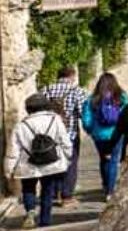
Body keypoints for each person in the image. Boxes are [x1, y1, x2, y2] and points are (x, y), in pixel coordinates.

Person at [4, 94, 72, 228]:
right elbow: (65, 141)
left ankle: (30, 212)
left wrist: (9, 169)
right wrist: (67, 157)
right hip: (51, 162)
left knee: (28, 189)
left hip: (28, 164)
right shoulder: (55, 119)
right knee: (47, 190)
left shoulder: (21, 125)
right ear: (46, 106)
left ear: (28, 109)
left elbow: (13, 150)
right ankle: (45, 221)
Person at [41, 66, 87, 208]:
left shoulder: (46, 90)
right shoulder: (77, 91)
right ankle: (67, 196)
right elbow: (81, 112)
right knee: (70, 163)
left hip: (49, 134)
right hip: (70, 133)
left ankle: (55, 192)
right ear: (72, 76)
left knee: (53, 161)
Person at [80, 73, 128, 199]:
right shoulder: (121, 97)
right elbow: (127, 113)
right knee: (113, 160)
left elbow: (86, 119)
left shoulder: (93, 99)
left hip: (99, 135)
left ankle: (106, 185)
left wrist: (90, 130)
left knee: (103, 159)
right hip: (116, 133)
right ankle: (110, 191)